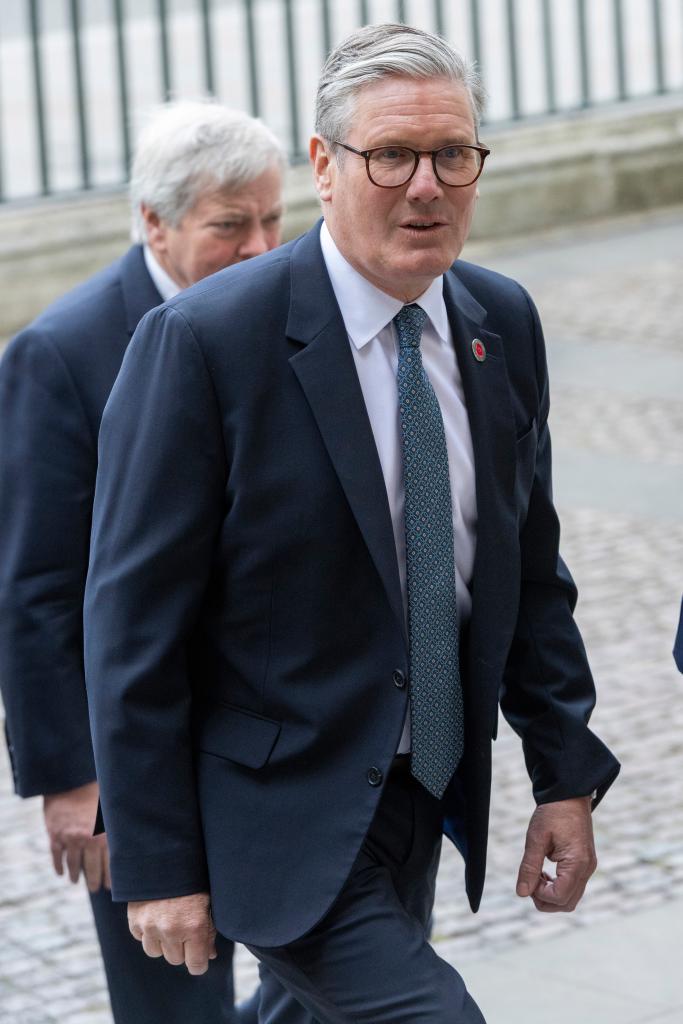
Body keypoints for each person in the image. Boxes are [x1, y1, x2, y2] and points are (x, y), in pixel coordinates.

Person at [83, 24, 620, 1023]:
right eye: (391, 155)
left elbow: (527, 571)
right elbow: (132, 624)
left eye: (451, 154)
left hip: (420, 789)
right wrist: (156, 863)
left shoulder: (499, 322)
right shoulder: (204, 343)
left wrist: (564, 777)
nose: (426, 186)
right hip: (274, 808)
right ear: (324, 167)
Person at [0, 99, 286, 1024]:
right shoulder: (60, 352)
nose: (260, 246)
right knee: (174, 1005)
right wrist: (72, 778)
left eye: (273, 219)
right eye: (229, 225)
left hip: (278, 735)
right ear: (155, 222)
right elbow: (36, 587)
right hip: (140, 761)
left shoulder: (288, 312)